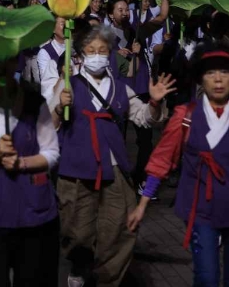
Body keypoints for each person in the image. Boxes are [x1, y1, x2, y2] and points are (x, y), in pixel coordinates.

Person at [129, 42, 229, 286]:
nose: (218, 79)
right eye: (210, 72)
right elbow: (163, 158)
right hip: (201, 209)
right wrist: (142, 205)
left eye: (224, 72)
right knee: (206, 278)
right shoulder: (186, 115)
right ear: (200, 78)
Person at [53, 25, 175, 287]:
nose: (97, 56)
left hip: (114, 168)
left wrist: (155, 103)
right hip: (76, 169)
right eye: (91, 50)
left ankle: (108, 278)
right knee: (77, 231)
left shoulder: (121, 89)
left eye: (102, 50)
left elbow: (144, 118)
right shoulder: (68, 86)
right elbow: (49, 126)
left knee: (119, 228)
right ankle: (79, 264)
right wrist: (59, 107)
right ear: (81, 54)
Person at [0, 56, 60, 286]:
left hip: (32, 209)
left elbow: (51, 153)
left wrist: (21, 163)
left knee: (31, 278)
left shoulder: (35, 103)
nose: (2, 67)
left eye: (8, 59)